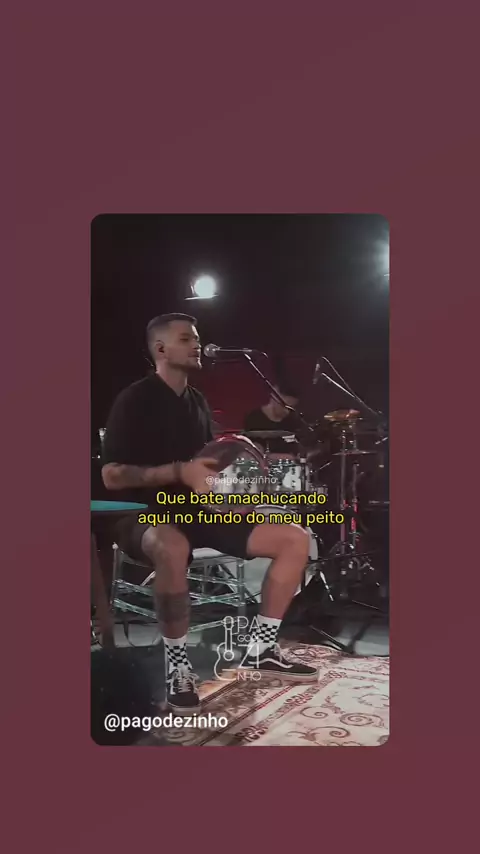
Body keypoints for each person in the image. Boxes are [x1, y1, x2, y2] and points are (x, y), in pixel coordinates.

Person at [101, 313, 318, 715]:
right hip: (142, 513)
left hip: (197, 512)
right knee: (171, 544)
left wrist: (239, 484)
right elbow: (111, 476)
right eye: (186, 339)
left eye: (197, 338)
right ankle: (178, 666)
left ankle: (261, 649)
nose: (197, 345)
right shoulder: (134, 399)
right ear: (161, 349)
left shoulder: (197, 401)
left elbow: (206, 467)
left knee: (295, 538)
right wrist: (177, 471)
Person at [243, 383, 301, 455]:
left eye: (292, 407)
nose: (287, 411)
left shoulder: (292, 420)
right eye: (285, 406)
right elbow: (249, 447)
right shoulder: (253, 417)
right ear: (274, 398)